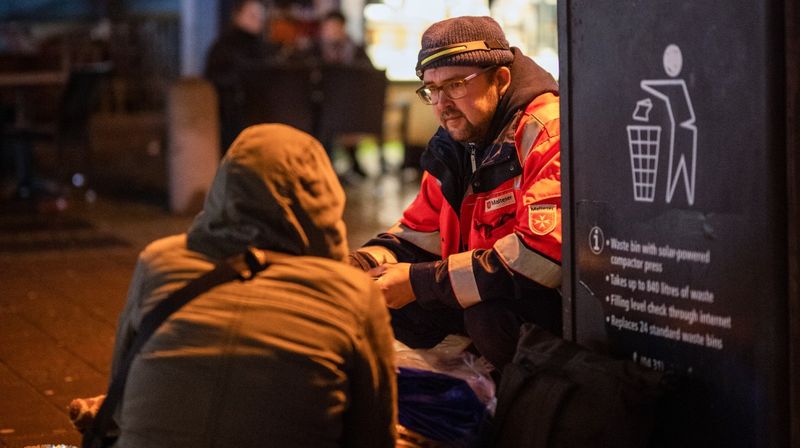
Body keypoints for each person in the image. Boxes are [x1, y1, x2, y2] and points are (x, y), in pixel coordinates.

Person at [71, 124, 397, 447]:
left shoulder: (158, 262)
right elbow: (372, 435)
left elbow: (121, 399)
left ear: (224, 188)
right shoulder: (353, 295)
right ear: (324, 201)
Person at [348, 16, 562, 371]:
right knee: (369, 298)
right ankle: (465, 389)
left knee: (486, 316)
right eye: (432, 90)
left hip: (545, 310)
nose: (442, 103)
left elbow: (540, 260)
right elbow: (419, 234)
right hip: (482, 293)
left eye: (456, 85)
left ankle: (522, 407)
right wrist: (359, 265)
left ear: (501, 79)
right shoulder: (457, 141)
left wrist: (420, 282)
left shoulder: (546, 130)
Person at [311, 10, 374, 178]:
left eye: (335, 27)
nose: (332, 31)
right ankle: (326, 165)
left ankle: (351, 163)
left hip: (349, 105)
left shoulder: (355, 49)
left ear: (343, 28)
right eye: (328, 28)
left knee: (346, 118)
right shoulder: (315, 49)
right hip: (322, 104)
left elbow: (368, 74)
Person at [204, 0, 273, 153]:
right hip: (233, 114)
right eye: (252, 15)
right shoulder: (224, 47)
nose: (258, 20)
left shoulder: (262, 47)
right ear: (237, 16)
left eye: (261, 16)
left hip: (260, 113)